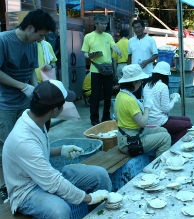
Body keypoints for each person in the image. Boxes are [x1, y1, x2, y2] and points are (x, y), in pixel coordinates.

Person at [2, 80, 112, 218]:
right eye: (63, 104)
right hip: (26, 190)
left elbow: (39, 154)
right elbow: (53, 182)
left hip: (43, 176)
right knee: (60, 211)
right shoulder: (23, 139)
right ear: (54, 110)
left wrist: (61, 150)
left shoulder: (36, 119)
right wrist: (89, 198)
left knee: (100, 175)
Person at [0, 9, 56, 201]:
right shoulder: (3, 41)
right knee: (8, 145)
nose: (41, 39)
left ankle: (31, 178)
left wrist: (35, 88)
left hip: (25, 101)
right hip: (5, 104)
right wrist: (22, 86)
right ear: (30, 27)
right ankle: (8, 187)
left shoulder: (33, 45)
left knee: (30, 141)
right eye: (41, 35)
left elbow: (31, 70)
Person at [115, 64, 171, 157]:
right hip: (129, 143)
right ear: (134, 82)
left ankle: (153, 157)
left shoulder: (120, 95)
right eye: (140, 81)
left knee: (163, 130)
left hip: (126, 136)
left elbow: (117, 119)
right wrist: (147, 107)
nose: (141, 83)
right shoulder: (129, 100)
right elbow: (143, 123)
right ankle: (159, 166)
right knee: (166, 138)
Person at [81, 14, 122, 126]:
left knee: (108, 95)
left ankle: (106, 117)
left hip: (108, 70)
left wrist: (117, 49)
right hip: (95, 70)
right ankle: (94, 119)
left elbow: (113, 46)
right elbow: (84, 53)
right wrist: (89, 55)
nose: (104, 26)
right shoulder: (88, 37)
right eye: (102, 24)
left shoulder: (108, 36)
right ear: (96, 24)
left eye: (105, 24)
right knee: (95, 96)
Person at [143, 61, 192, 145]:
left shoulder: (147, 85)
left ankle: (171, 137)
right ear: (165, 75)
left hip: (150, 119)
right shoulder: (163, 86)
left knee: (186, 119)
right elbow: (166, 109)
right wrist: (174, 100)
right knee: (188, 124)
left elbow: (157, 102)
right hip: (159, 121)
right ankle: (172, 143)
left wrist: (170, 98)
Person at [128, 19, 158, 99]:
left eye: (139, 27)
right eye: (135, 28)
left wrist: (146, 62)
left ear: (143, 27)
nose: (137, 30)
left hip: (147, 73)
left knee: (148, 96)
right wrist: (129, 69)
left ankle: (147, 111)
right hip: (135, 74)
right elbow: (129, 56)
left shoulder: (150, 40)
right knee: (135, 97)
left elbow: (155, 55)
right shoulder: (131, 41)